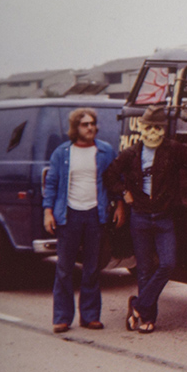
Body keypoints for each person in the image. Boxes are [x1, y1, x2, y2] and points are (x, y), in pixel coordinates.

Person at [104, 105, 187, 334]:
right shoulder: (131, 153)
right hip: (139, 217)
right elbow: (109, 176)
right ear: (141, 128)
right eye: (148, 127)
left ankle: (138, 305)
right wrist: (123, 192)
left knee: (168, 264)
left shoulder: (174, 150)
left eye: (157, 128)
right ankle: (147, 319)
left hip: (164, 217)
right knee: (144, 269)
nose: (152, 132)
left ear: (164, 129)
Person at [43, 108, 125, 334]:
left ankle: (90, 316)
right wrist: (48, 212)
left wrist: (119, 205)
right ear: (75, 128)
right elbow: (51, 184)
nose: (90, 128)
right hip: (68, 215)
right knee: (64, 268)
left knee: (92, 268)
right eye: (85, 124)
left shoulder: (105, 151)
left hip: (95, 215)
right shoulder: (62, 153)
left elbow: (115, 180)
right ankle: (62, 318)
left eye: (92, 124)